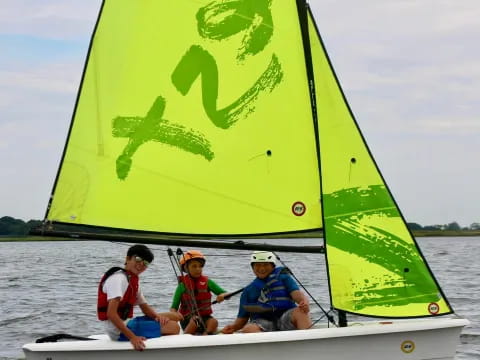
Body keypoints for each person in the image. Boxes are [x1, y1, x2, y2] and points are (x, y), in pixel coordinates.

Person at [97, 244, 182, 351]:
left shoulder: (132, 280)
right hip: (118, 331)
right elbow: (111, 314)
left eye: (145, 263)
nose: (141, 264)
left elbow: (144, 307)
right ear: (127, 258)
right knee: (174, 327)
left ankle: (154, 332)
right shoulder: (119, 279)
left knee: (175, 316)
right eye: (138, 259)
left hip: (128, 322)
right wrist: (132, 337)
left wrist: (157, 317)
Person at [221, 251, 311, 334]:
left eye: (265, 265)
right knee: (248, 329)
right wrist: (233, 327)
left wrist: (304, 302)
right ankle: (267, 350)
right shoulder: (248, 291)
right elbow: (242, 320)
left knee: (301, 311)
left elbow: (296, 294)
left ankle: (307, 345)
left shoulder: (284, 278)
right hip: (262, 322)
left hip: (285, 318)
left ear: (273, 266)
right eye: (258, 265)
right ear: (252, 267)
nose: (262, 268)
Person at [170, 250, 228, 335]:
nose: (198, 269)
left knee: (214, 322)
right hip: (188, 319)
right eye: (194, 266)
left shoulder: (208, 282)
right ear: (186, 268)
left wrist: (222, 296)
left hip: (205, 317)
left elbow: (226, 294)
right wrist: (174, 316)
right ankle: (186, 337)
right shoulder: (182, 286)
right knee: (195, 321)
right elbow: (174, 307)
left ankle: (206, 334)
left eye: (200, 266)